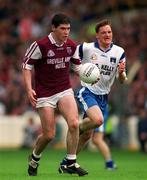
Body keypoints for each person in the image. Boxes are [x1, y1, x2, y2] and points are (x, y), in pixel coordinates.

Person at [22, 13, 88, 176]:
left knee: (73, 123)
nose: (66, 32)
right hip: (45, 94)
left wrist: (89, 75)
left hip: (64, 89)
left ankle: (71, 162)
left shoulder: (71, 45)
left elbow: (77, 67)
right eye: (63, 28)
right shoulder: (40, 45)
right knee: (49, 135)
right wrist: (29, 89)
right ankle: (35, 158)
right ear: (53, 28)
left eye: (68, 29)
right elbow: (26, 66)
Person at [60, 19, 127, 170]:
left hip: (104, 96)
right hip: (87, 91)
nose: (107, 34)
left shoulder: (119, 52)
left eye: (109, 32)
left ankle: (67, 162)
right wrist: (80, 71)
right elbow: (72, 59)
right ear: (97, 35)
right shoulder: (86, 48)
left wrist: (122, 72)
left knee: (87, 136)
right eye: (103, 32)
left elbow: (122, 80)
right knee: (98, 120)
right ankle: (76, 126)